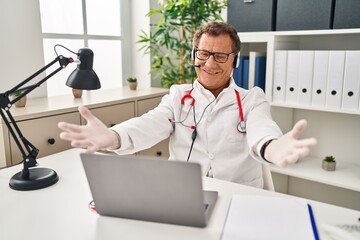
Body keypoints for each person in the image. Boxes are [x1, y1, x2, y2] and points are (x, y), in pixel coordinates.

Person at [58, 21, 317, 188]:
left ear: (235, 60)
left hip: (241, 196)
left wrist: (273, 148)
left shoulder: (251, 99)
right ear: (195, 55)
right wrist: (113, 136)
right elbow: (149, 124)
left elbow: (263, 131)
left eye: (221, 55)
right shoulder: (177, 96)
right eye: (203, 54)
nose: (210, 64)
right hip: (185, 195)